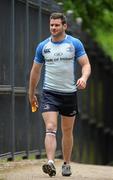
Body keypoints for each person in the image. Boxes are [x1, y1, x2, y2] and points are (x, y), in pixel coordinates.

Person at [28, 12, 91, 177]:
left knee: (67, 130)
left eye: (57, 25)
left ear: (65, 26)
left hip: (69, 94)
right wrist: (31, 93)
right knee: (50, 128)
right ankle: (50, 162)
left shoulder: (74, 44)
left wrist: (83, 78)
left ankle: (66, 163)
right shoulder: (43, 46)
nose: (53, 28)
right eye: (51, 25)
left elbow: (86, 64)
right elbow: (35, 71)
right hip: (50, 93)